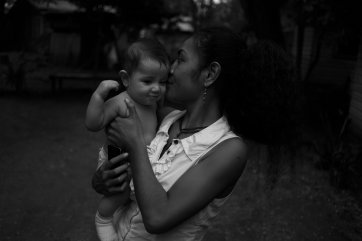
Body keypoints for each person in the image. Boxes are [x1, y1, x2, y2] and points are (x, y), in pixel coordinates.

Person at [92, 27, 296, 241]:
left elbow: (157, 218)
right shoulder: (164, 118)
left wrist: (134, 144)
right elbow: (120, 184)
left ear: (210, 74)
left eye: (180, 59)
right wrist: (103, 179)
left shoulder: (228, 149)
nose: (170, 69)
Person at [85, 38, 170, 241]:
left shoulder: (153, 104)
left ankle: (121, 223)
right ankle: (103, 219)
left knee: (133, 198)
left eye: (163, 82)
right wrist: (98, 96)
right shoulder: (121, 101)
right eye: (148, 81)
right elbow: (94, 123)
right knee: (119, 194)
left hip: (138, 159)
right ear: (125, 79)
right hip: (118, 159)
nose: (157, 88)